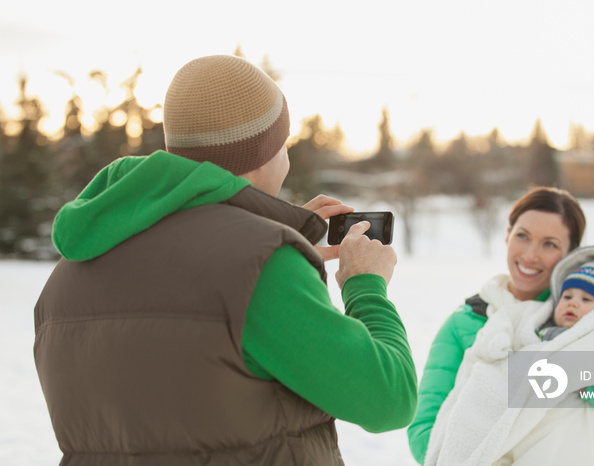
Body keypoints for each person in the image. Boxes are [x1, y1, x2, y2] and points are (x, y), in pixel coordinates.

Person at [34, 54, 417, 466]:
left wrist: (275, 235)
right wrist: (365, 284)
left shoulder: (71, 271)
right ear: (264, 152)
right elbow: (389, 400)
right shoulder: (259, 269)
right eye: (283, 143)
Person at [407, 186, 594, 465]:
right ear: (508, 235)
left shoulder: (582, 318)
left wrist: (583, 381)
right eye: (523, 236)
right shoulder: (466, 322)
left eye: (549, 243)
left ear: (570, 253)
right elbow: (424, 431)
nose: (530, 255)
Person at [424, 246, 594, 465]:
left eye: (587, 299)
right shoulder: (533, 326)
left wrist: (590, 386)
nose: (573, 304)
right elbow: (504, 333)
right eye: (567, 297)